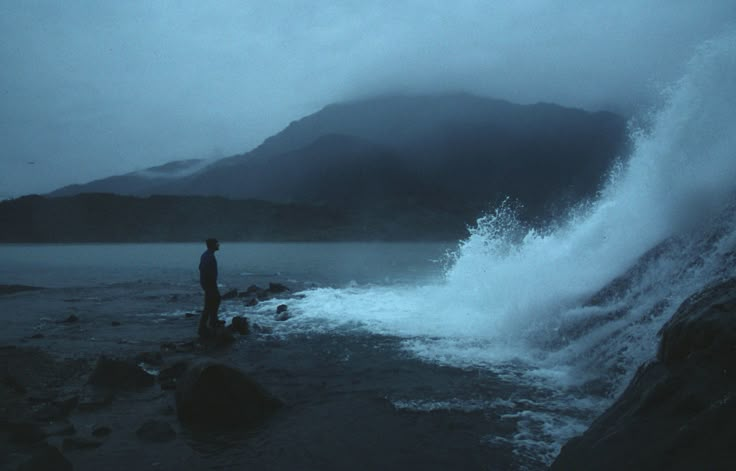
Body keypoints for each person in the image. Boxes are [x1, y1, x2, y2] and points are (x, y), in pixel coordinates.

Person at [198, 238, 221, 336]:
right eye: (217, 244)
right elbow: (202, 268)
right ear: (212, 245)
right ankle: (203, 327)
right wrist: (209, 281)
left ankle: (213, 321)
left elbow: (200, 267)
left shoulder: (207, 255)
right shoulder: (208, 256)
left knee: (214, 301)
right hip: (209, 284)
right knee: (210, 304)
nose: (218, 245)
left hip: (209, 283)